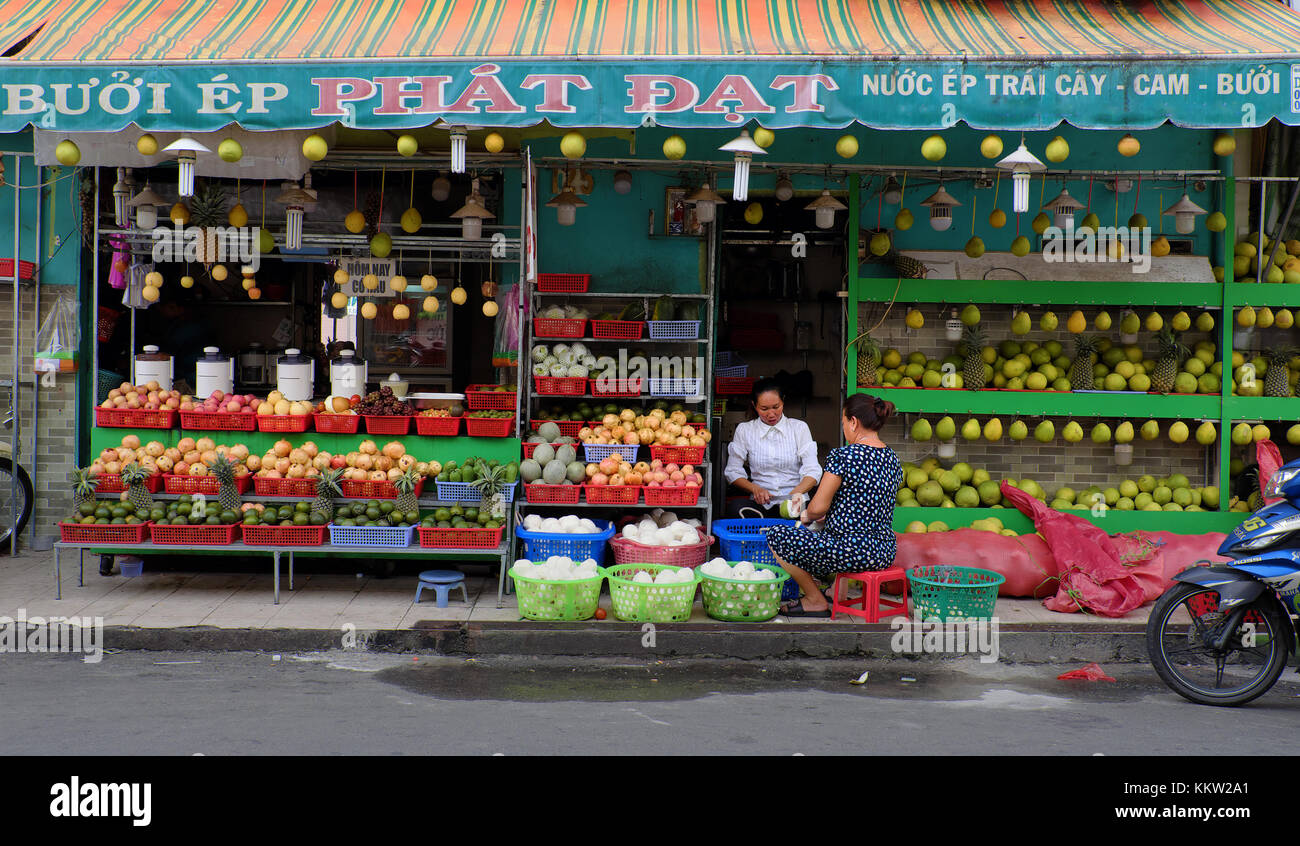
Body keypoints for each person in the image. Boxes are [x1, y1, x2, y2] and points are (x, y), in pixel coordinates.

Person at [766, 393, 903, 617]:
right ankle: (835, 592)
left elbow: (818, 507)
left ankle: (814, 599)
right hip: (883, 551)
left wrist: (807, 516)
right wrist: (831, 514)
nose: (844, 429)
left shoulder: (843, 456)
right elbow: (864, 503)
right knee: (839, 533)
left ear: (854, 422)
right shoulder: (892, 458)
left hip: (851, 552)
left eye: (843, 423)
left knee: (777, 535)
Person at [723, 378, 822, 518]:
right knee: (735, 508)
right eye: (764, 409)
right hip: (761, 506)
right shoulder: (745, 430)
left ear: (783, 401)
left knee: (818, 512)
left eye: (776, 407)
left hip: (795, 505)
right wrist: (755, 489)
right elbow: (732, 471)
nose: (771, 414)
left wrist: (797, 493)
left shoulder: (799, 428)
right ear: (754, 405)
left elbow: (813, 470)